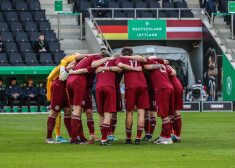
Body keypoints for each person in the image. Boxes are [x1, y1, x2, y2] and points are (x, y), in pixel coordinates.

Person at [115, 47, 150, 145]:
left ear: (122, 54)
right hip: (143, 85)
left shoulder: (121, 59)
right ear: (132, 53)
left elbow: (119, 65)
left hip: (131, 86)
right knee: (141, 112)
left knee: (129, 112)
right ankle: (138, 138)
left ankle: (129, 138)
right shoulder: (139, 59)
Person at [67, 54, 103, 144]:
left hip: (70, 81)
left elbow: (70, 64)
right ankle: (74, 139)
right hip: (79, 81)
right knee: (77, 111)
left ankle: (81, 137)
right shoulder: (97, 59)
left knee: (75, 110)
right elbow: (87, 69)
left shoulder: (83, 60)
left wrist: (71, 71)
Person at [46, 53, 80, 143]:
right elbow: (66, 61)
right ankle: (49, 138)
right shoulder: (70, 63)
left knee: (68, 111)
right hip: (58, 87)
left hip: (65, 89)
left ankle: (71, 137)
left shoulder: (75, 62)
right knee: (54, 112)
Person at [91, 53, 122, 145]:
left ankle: (103, 138)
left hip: (99, 88)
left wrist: (103, 67)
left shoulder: (98, 63)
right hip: (109, 87)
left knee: (101, 114)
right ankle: (105, 139)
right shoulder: (113, 61)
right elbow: (120, 68)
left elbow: (93, 65)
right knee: (108, 113)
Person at [144, 59, 176, 145]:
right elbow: (173, 73)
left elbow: (146, 66)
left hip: (162, 89)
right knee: (167, 115)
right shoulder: (163, 66)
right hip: (170, 88)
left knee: (163, 115)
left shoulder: (151, 66)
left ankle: (168, 139)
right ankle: (163, 136)